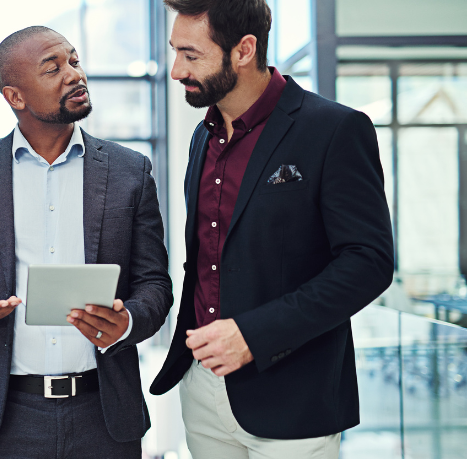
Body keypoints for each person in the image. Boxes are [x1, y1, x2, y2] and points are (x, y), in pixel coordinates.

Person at [0, 26, 173, 458]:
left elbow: (155, 284)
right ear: (16, 97)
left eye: (73, 61)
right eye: (53, 69)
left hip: (105, 415)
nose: (73, 74)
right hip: (2, 418)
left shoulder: (130, 170)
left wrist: (127, 322)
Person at [150, 1, 395, 458]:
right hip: (202, 387)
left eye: (191, 54)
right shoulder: (201, 138)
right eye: (174, 51)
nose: (176, 69)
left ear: (244, 50)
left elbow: (369, 263)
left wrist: (253, 336)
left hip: (294, 397)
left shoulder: (335, 129)